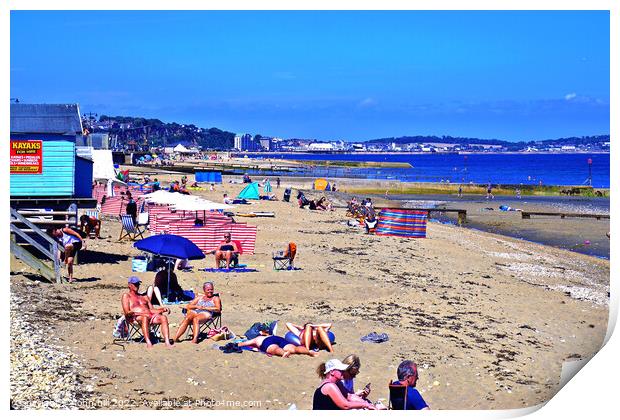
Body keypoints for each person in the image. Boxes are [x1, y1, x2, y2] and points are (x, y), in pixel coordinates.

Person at [121, 276, 173, 349]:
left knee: (163, 317)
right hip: (135, 318)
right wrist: (142, 314)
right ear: (129, 285)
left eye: (138, 284)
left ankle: (167, 342)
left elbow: (151, 310)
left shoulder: (144, 297)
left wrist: (162, 309)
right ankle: (148, 342)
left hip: (150, 316)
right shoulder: (126, 296)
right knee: (144, 317)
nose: (137, 286)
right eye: (135, 284)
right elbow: (127, 312)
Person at [236, 325, 318, 358]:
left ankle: (283, 353)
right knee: (295, 348)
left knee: (275, 349)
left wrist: (238, 343)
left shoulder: (256, 339)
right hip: (278, 338)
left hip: (266, 342)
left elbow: (242, 344)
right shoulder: (270, 335)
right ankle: (308, 352)